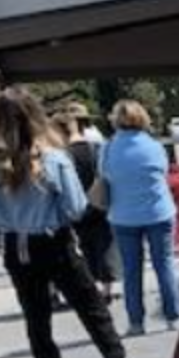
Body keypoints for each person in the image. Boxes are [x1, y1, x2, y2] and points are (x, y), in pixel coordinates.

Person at [0, 87, 165, 358]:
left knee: (37, 319)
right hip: (53, 241)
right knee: (93, 311)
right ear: (36, 116)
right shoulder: (52, 159)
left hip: (17, 245)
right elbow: (75, 208)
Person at [102, 99, 179, 336]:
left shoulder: (107, 149)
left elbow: (104, 175)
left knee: (131, 270)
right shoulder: (154, 146)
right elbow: (163, 171)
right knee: (164, 264)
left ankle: (136, 323)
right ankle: (172, 317)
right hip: (159, 212)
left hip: (123, 215)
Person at [53, 104, 117, 301]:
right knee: (104, 245)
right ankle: (107, 288)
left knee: (82, 246)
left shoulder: (61, 154)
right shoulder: (98, 146)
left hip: (76, 205)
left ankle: (93, 285)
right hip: (100, 202)